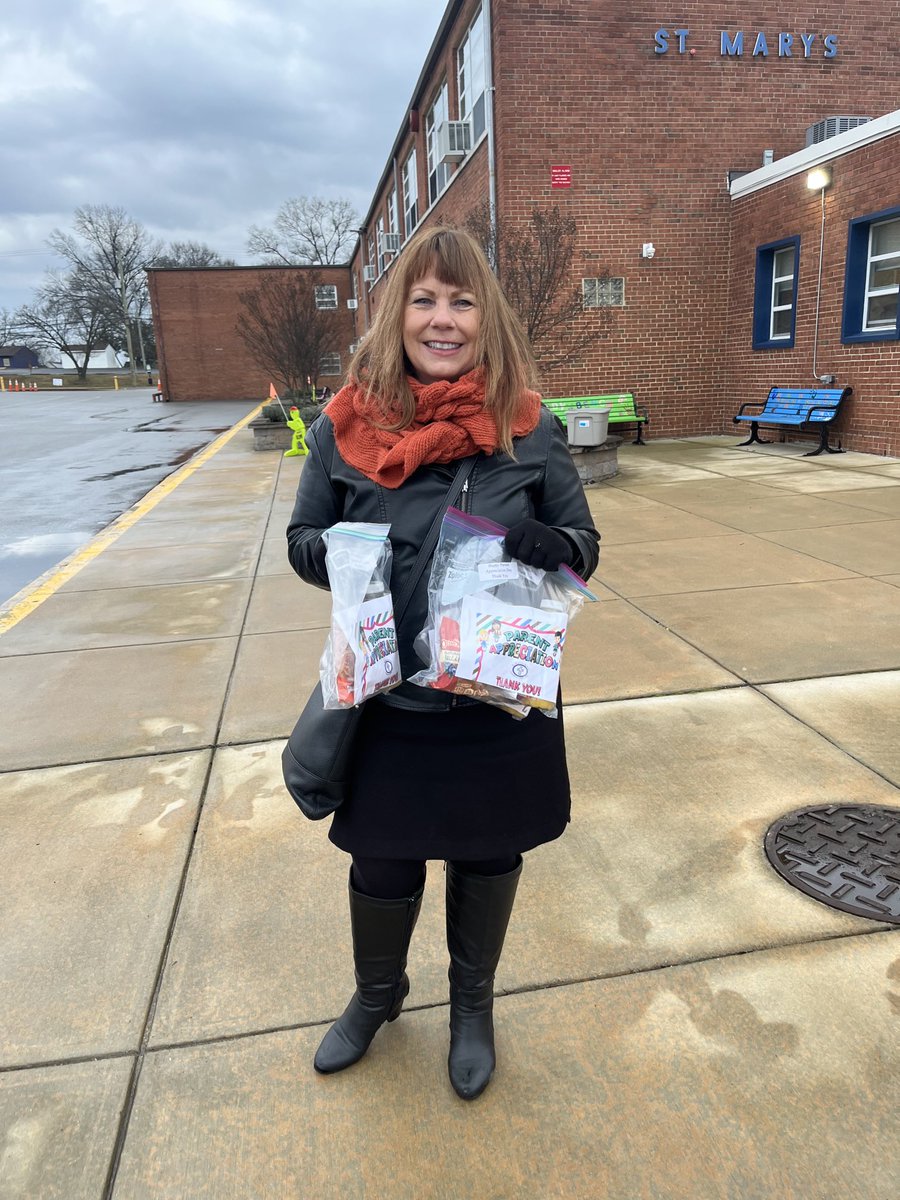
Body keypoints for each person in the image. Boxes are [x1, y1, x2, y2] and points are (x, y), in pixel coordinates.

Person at [286, 226, 600, 1100]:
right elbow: (303, 540)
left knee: (489, 856)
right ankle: (377, 996)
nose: (443, 319)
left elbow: (583, 541)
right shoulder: (345, 424)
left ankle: (473, 1006)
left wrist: (555, 545)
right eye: (424, 300)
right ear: (398, 315)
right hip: (386, 700)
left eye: (462, 302)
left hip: (494, 698)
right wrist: (356, 551)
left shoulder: (528, 426)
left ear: (484, 318)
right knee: (382, 860)